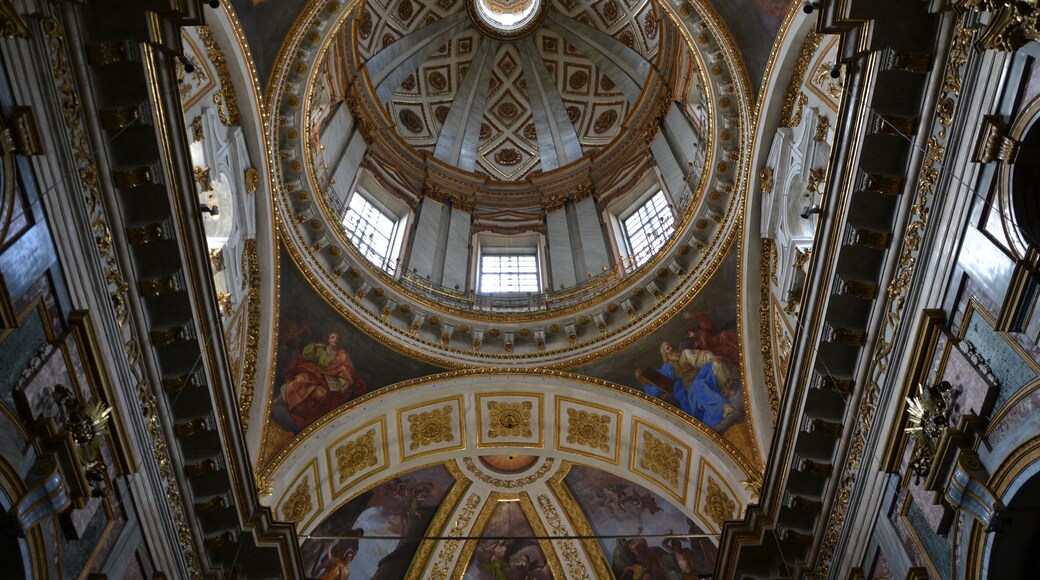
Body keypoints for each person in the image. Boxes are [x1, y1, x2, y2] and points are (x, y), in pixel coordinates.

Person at [636, 342, 735, 430]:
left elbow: (697, 357)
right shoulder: (667, 368)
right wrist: (644, 378)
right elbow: (657, 380)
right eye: (667, 348)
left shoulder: (684, 354)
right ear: (665, 354)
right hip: (690, 385)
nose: (671, 349)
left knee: (716, 364)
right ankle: (723, 406)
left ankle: (725, 389)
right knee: (699, 385)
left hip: (700, 374)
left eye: (671, 346)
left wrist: (710, 357)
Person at [280, 332, 367, 430]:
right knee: (301, 379)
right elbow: (306, 355)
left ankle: (302, 416)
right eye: (332, 337)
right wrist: (316, 346)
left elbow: (346, 374)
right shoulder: (322, 350)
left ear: (340, 342)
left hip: (327, 383)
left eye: (337, 338)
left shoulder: (342, 356)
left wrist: (341, 385)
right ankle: (284, 400)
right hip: (315, 374)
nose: (335, 340)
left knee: (320, 394)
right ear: (328, 340)